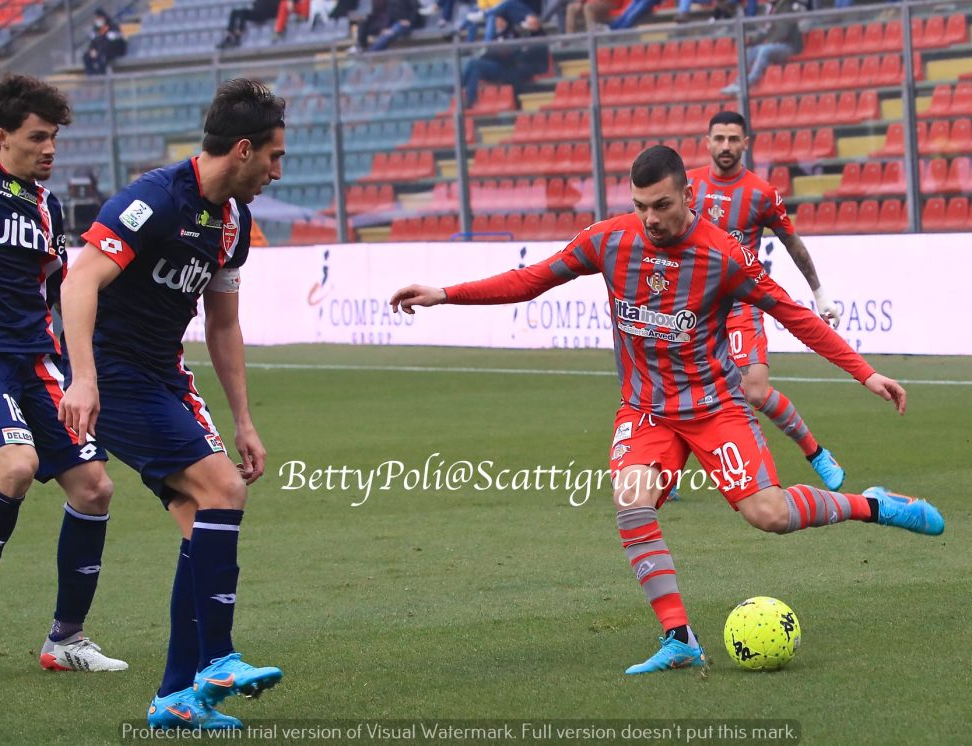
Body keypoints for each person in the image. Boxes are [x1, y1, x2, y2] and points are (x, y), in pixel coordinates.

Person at [390, 144, 944, 675]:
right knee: (631, 501)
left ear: (687, 197)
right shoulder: (609, 241)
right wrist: (445, 293)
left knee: (770, 516)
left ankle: (872, 505)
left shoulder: (724, 255)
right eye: (639, 206)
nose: (649, 218)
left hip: (713, 406)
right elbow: (531, 280)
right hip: (647, 408)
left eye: (661, 205)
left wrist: (865, 372)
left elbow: (793, 314)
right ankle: (679, 639)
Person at [58, 78, 284, 730]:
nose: (275, 171)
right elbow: (80, 281)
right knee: (221, 492)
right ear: (241, 149)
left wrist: (243, 419)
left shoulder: (233, 223)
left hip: (163, 378)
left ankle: (175, 699)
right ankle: (217, 659)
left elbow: (221, 326)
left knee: (200, 521)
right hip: (114, 377)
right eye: (273, 157)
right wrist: (83, 377)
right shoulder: (153, 199)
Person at [0, 74, 125, 672]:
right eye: (38, 137)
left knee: (95, 487)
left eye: (54, 138)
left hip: (35, 359)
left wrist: (79, 371)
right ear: (2, 136)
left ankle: (65, 639)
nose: (50, 149)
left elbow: (59, 291)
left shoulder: (47, 207)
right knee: (17, 465)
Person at [687, 110, 845, 493]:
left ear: (746, 143)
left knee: (754, 390)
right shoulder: (687, 186)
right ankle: (668, 469)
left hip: (741, 304)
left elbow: (792, 243)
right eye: (719, 138)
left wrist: (819, 292)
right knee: (684, 386)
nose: (726, 146)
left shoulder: (761, 193)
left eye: (733, 139)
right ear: (707, 142)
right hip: (692, 307)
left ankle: (816, 453)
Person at [721, 0, 807, 95]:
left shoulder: (787, 7)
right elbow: (765, 30)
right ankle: (738, 82)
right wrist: (752, 42)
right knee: (751, 50)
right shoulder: (771, 8)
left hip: (790, 46)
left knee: (764, 49)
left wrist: (770, 41)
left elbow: (784, 31)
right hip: (776, 45)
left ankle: (748, 82)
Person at [462, 14, 548, 107]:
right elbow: (489, 54)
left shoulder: (515, 33)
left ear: (504, 21)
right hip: (496, 64)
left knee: (474, 64)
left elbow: (517, 54)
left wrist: (498, 51)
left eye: (498, 19)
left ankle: (462, 89)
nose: (496, 22)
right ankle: (467, 95)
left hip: (506, 68)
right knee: (474, 66)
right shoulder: (495, 35)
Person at [83, 8, 126, 76]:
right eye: (97, 18)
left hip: (113, 51)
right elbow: (93, 42)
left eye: (100, 18)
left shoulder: (113, 27)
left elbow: (114, 43)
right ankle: (91, 75)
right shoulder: (96, 29)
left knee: (102, 57)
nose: (98, 20)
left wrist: (98, 51)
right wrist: (92, 50)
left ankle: (102, 76)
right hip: (100, 51)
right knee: (86, 56)